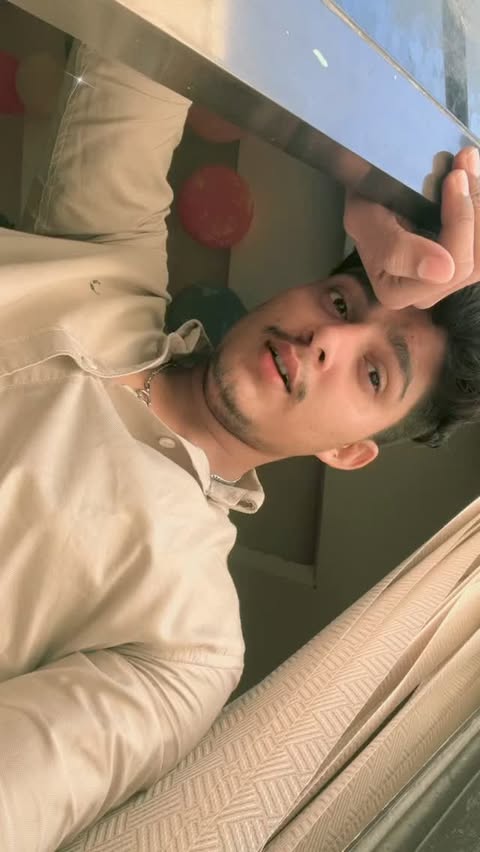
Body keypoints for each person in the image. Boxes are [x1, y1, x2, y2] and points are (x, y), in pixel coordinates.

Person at [0, 42, 479, 851]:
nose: (329, 339)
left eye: (372, 372)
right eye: (341, 300)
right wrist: (358, 163)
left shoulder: (187, 643)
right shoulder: (112, 250)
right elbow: (141, 44)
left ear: (350, 452)